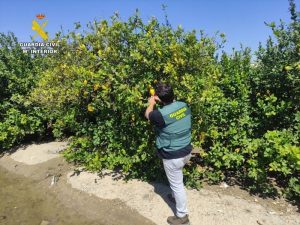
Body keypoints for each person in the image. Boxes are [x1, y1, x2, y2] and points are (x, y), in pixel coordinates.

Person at [145, 82, 192, 225]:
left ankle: (182, 216)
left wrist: (151, 103)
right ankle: (176, 197)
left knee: (177, 185)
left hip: (173, 155)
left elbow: (147, 115)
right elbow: (173, 111)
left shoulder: (159, 115)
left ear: (159, 98)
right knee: (177, 180)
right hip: (186, 150)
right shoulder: (184, 105)